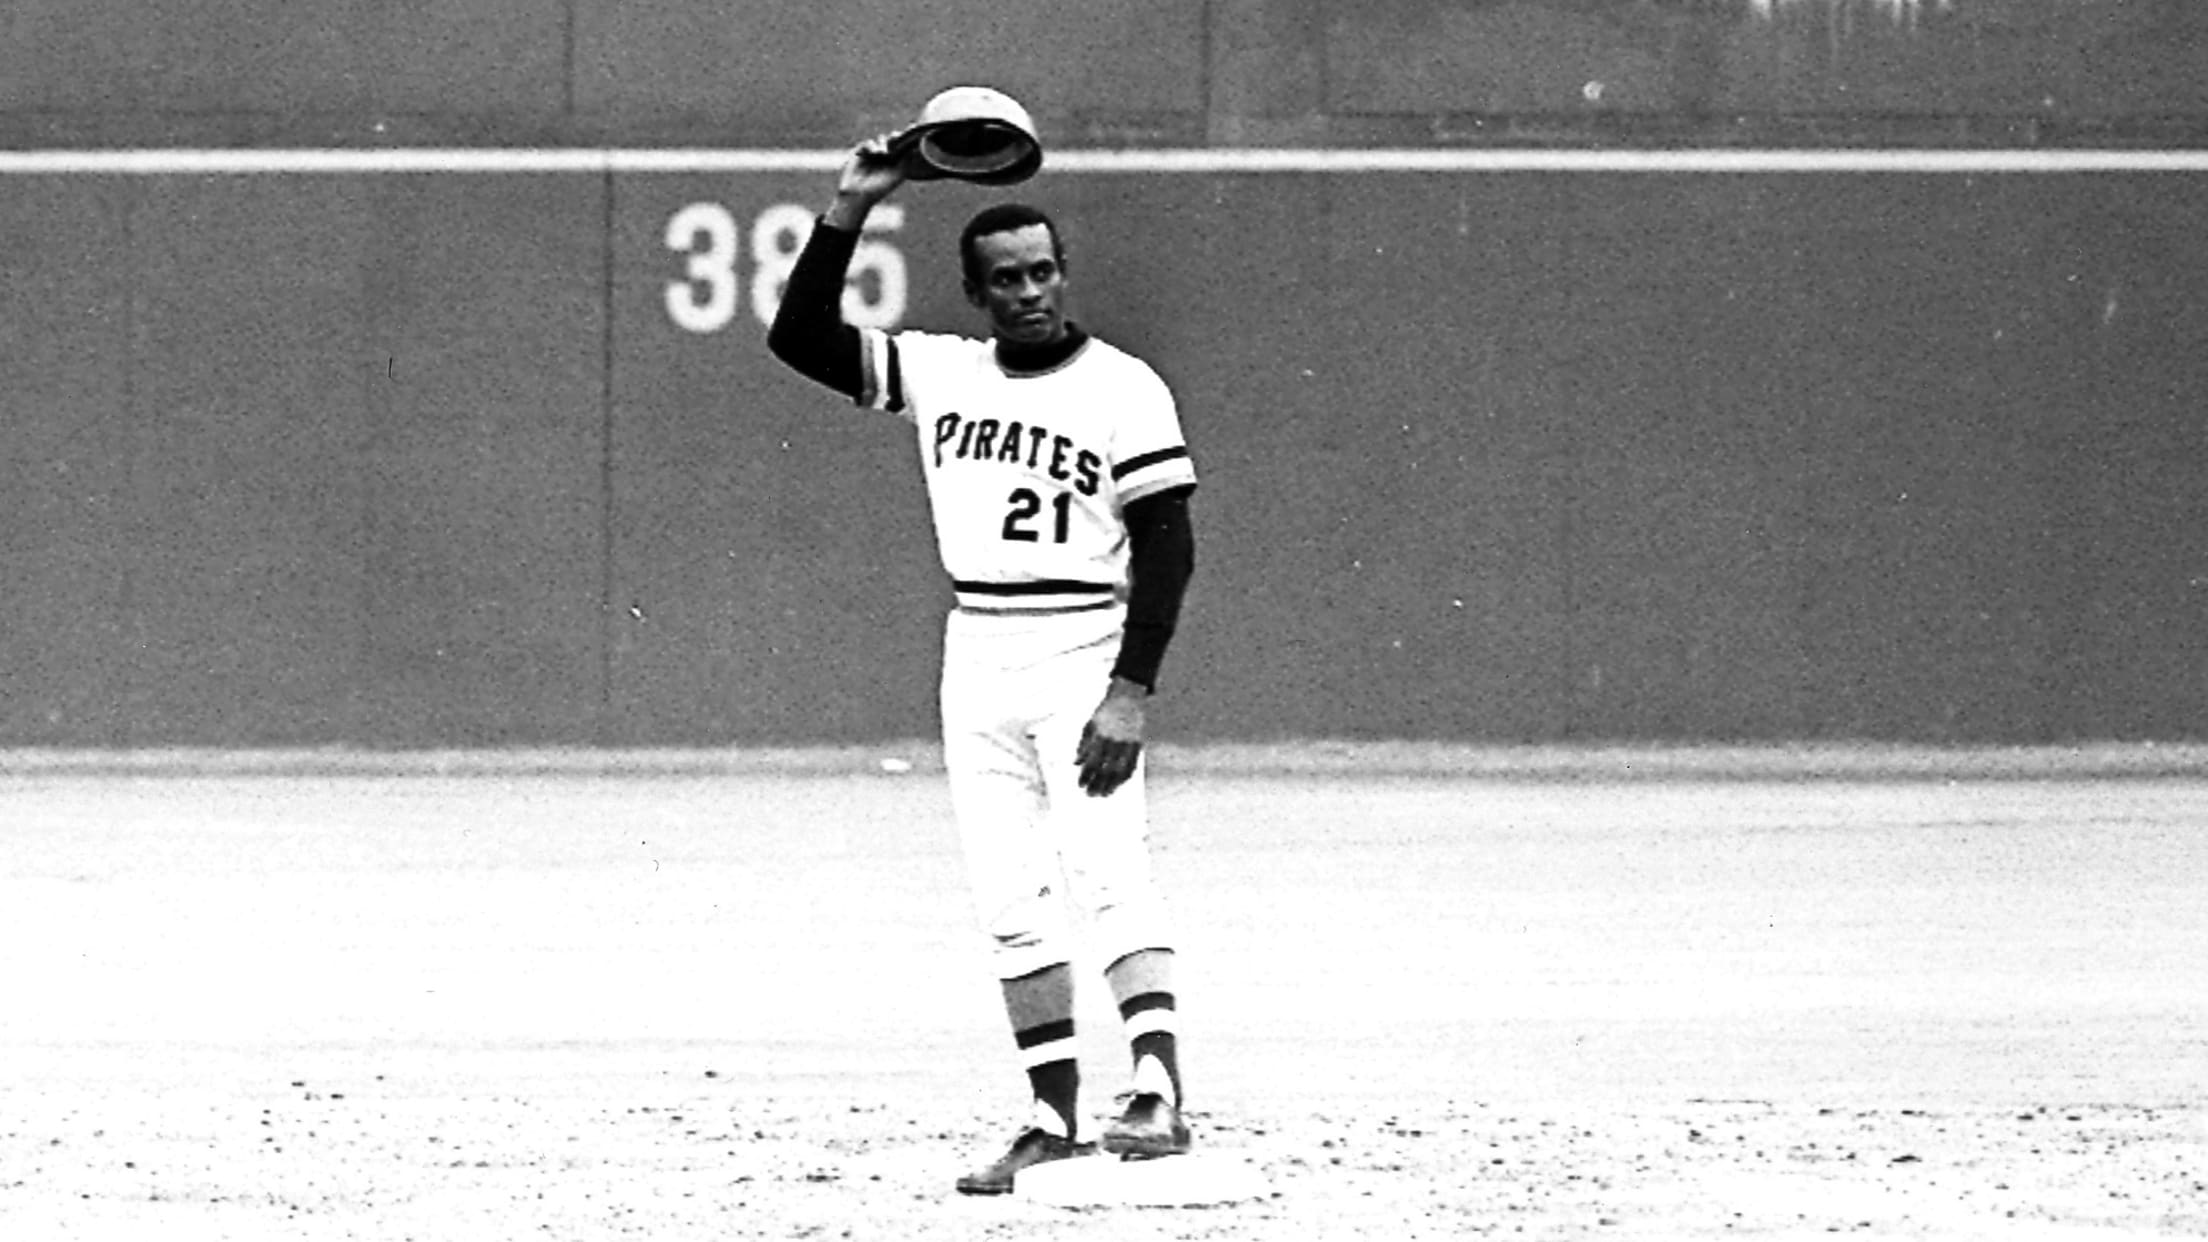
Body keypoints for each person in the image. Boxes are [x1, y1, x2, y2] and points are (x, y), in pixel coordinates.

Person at [765, 135, 1201, 1195]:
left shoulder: (1123, 387)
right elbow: (798, 337)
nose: (1028, 291)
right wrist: (851, 205)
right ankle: (1051, 1115)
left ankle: (1156, 1089)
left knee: (1107, 869)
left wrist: (1131, 689)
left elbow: (1169, 543)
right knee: (1010, 895)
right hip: (980, 650)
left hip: (1084, 644)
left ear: (1063, 274)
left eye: (1042, 270)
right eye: (1004, 278)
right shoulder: (943, 373)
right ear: (975, 291)